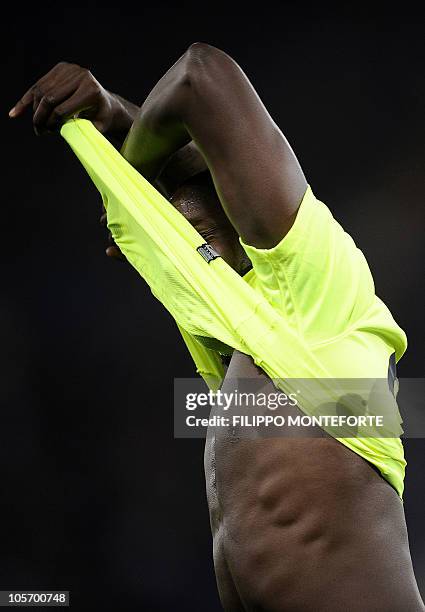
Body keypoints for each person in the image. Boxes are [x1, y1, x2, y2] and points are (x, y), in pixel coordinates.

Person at [10, 44, 424, 611]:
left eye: (190, 219)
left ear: (239, 206)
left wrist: (128, 174)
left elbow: (200, 76)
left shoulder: (315, 284)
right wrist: (112, 112)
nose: (175, 231)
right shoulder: (241, 337)